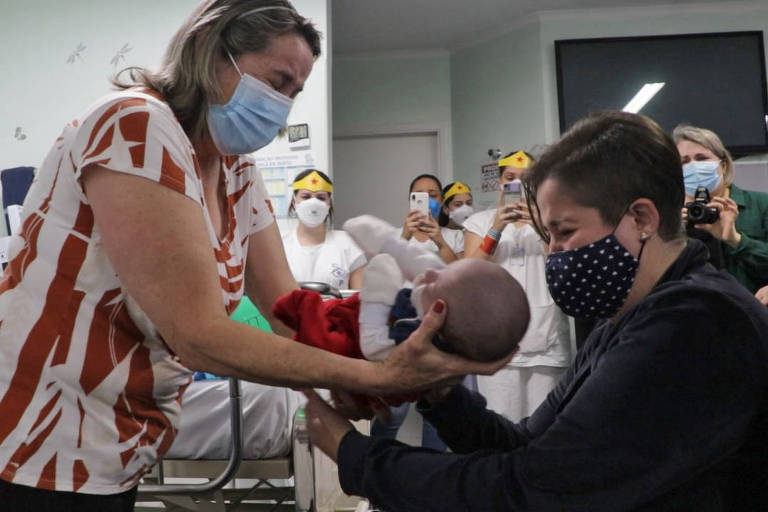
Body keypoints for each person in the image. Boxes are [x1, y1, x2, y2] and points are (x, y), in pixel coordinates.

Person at [0, 1, 507, 509]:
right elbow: (199, 337)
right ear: (211, 53)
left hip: (123, 435)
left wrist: (352, 365)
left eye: (295, 91)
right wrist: (374, 376)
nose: (282, 103)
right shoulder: (135, 125)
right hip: (44, 431)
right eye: (276, 80)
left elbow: (287, 307)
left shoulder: (235, 169)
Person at [302, 111, 768, 511]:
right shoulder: (625, 322)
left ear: (642, 219)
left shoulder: (697, 324)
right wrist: (438, 391)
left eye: (564, 232)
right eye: (549, 236)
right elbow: (525, 444)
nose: (553, 254)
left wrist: (356, 458)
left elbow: (532, 489)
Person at [273, 214, 529, 370]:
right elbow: (426, 266)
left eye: (436, 282)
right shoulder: (446, 297)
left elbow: (373, 347)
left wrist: (379, 296)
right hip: (344, 312)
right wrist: (389, 243)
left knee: (301, 315)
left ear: (440, 314)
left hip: (344, 337)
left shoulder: (416, 336)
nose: (429, 274)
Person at [463, 150, 571, 421]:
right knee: (500, 425)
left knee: (544, 427)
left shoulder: (552, 221)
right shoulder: (479, 222)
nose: (518, 185)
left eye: (526, 179)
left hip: (547, 342)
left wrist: (539, 224)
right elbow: (469, 272)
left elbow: (563, 264)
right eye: (510, 178)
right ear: (499, 183)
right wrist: (496, 228)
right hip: (496, 343)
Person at [673, 124, 768, 294]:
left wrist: (736, 240)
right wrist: (674, 231)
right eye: (684, 162)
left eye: (701, 158)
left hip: (751, 312)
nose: (693, 167)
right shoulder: (668, 216)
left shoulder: (762, 205)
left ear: (723, 165)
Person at [281, 169, 366, 289]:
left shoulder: (349, 244)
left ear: (329, 203)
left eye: (321, 198)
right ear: (294, 202)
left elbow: (359, 299)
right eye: (306, 197)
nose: (313, 203)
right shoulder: (280, 245)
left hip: (336, 308)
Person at [401, 174, 458, 264]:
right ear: (411, 200)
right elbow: (384, 272)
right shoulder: (394, 236)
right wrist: (403, 239)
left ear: (442, 201)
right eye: (420, 197)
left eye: (433, 195)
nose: (427, 201)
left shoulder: (456, 236)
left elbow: (461, 274)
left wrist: (442, 244)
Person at [436, 181, 473, 258]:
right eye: (458, 205)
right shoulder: (438, 234)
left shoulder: (476, 233)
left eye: (469, 203)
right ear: (446, 209)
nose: (465, 209)